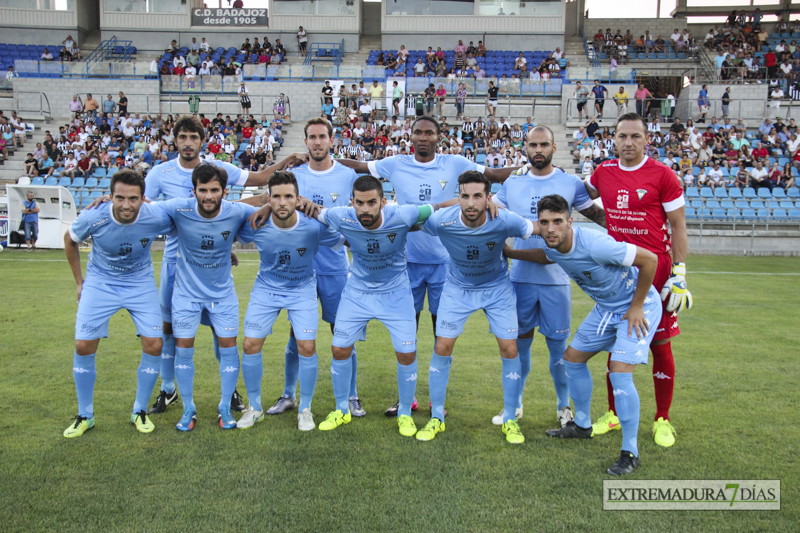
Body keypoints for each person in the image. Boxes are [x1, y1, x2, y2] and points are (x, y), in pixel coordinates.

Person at [332, 116, 521, 414]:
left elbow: (496, 174)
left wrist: (524, 175)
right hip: (407, 263)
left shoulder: (456, 162)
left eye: (429, 133)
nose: (423, 137)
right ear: (410, 135)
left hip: (445, 263)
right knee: (408, 334)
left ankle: (437, 402)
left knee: (440, 335)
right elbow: (357, 167)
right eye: (418, 132)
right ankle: (406, 399)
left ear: (438, 136)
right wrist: (321, 159)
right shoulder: (395, 163)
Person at [261, 175, 446, 436]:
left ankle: (405, 412)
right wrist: (265, 205)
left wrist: (491, 202)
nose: (365, 209)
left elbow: (439, 206)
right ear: (352, 202)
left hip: (395, 294)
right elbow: (300, 205)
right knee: (339, 348)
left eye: (372, 202)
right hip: (357, 292)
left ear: (383, 202)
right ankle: (342, 410)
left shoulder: (404, 214)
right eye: (360, 203)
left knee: (406, 352)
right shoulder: (341, 216)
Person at [505, 194, 660, 476]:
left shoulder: (596, 244)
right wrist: (511, 253)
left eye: (557, 222)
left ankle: (630, 451)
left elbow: (649, 259)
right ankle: (583, 425)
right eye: (544, 223)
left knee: (619, 371)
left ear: (570, 221)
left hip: (639, 306)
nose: (550, 228)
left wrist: (637, 305)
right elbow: (546, 256)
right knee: (572, 359)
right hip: (607, 308)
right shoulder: (551, 245)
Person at [240, 118, 364, 418]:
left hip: (333, 262)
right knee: (297, 335)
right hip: (295, 265)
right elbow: (268, 197)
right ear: (306, 142)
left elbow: (357, 211)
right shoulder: (292, 174)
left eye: (323, 136)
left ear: (332, 140)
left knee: (342, 332)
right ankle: (289, 394)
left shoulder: (347, 175)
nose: (318, 142)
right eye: (312, 137)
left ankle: (351, 396)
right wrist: (268, 204)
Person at [583, 113, 691, 449]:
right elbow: (579, 196)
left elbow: (678, 226)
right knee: (615, 344)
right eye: (621, 136)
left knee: (660, 344)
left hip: (656, 273)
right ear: (613, 139)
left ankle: (662, 418)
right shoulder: (604, 172)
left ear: (647, 139)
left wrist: (680, 273)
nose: (628, 142)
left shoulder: (663, 175)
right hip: (618, 275)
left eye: (635, 136)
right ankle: (613, 413)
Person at [495, 126, 607, 427]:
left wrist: (632, 230)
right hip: (519, 279)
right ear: (525, 147)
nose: (538, 149)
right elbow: (492, 215)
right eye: (533, 145)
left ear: (554, 147)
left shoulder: (570, 183)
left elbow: (596, 215)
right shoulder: (513, 181)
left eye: (544, 144)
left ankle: (563, 407)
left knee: (559, 350)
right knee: (519, 346)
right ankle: (514, 405)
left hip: (557, 280)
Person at [414, 171, 533, 444]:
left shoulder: (503, 219)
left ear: (488, 198)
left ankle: (511, 420)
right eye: (465, 196)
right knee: (442, 346)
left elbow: (537, 229)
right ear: (458, 197)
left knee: (510, 348)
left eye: (478, 196)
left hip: (497, 289)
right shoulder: (442, 221)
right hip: (458, 289)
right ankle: (437, 418)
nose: (471, 203)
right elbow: (412, 220)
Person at [62, 170, 175, 438]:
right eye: (120, 198)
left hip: (139, 283)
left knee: (154, 343)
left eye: (133, 198)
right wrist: (80, 282)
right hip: (100, 283)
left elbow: (188, 222)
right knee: (83, 344)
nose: (126, 205)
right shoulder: (94, 215)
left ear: (143, 198)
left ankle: (139, 411)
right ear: (110, 196)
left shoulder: (155, 215)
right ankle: (84, 416)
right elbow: (70, 239)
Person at [235, 171, 345, 431]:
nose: (282, 202)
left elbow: (345, 234)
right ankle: (255, 408)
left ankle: (305, 409)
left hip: (302, 288)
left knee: (307, 347)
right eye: (276, 197)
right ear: (268, 199)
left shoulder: (313, 225)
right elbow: (225, 228)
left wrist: (319, 210)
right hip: (267, 289)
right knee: (250, 344)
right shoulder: (256, 224)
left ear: (298, 199)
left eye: (288, 196)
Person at [150, 165, 255, 431]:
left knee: (228, 349)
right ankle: (188, 409)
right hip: (186, 295)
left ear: (225, 191)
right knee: (183, 351)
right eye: (203, 190)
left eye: (214, 190)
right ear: (193, 191)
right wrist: (108, 200)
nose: (209, 196)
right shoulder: (179, 208)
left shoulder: (237, 211)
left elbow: (270, 207)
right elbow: (143, 207)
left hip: (222, 296)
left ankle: (224, 407)